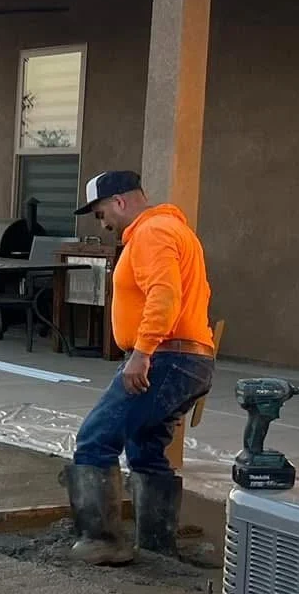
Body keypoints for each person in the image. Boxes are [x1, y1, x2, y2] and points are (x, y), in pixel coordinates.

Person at [67, 170, 216, 566]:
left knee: (95, 439)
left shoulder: (152, 233)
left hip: (166, 356)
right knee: (147, 449)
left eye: (101, 214)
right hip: (189, 358)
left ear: (119, 201)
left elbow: (164, 294)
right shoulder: (175, 231)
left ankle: (101, 540)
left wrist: (143, 351)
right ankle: (156, 543)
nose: (104, 224)